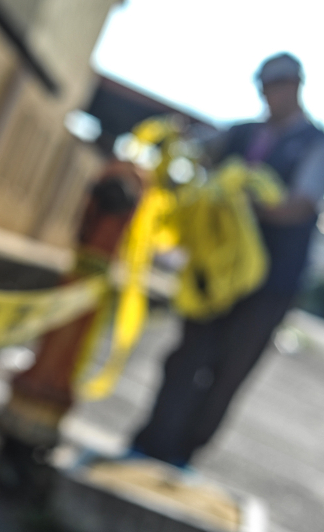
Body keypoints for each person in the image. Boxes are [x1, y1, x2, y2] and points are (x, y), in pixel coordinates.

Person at [130, 53, 324, 468]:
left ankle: (184, 453)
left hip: (271, 281)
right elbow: (197, 156)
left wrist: (249, 202)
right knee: (186, 356)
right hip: (213, 272)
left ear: (295, 86)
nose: (268, 95)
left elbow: (302, 204)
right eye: (263, 87)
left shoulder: (314, 143)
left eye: (275, 86)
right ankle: (151, 441)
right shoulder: (241, 133)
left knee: (227, 371)